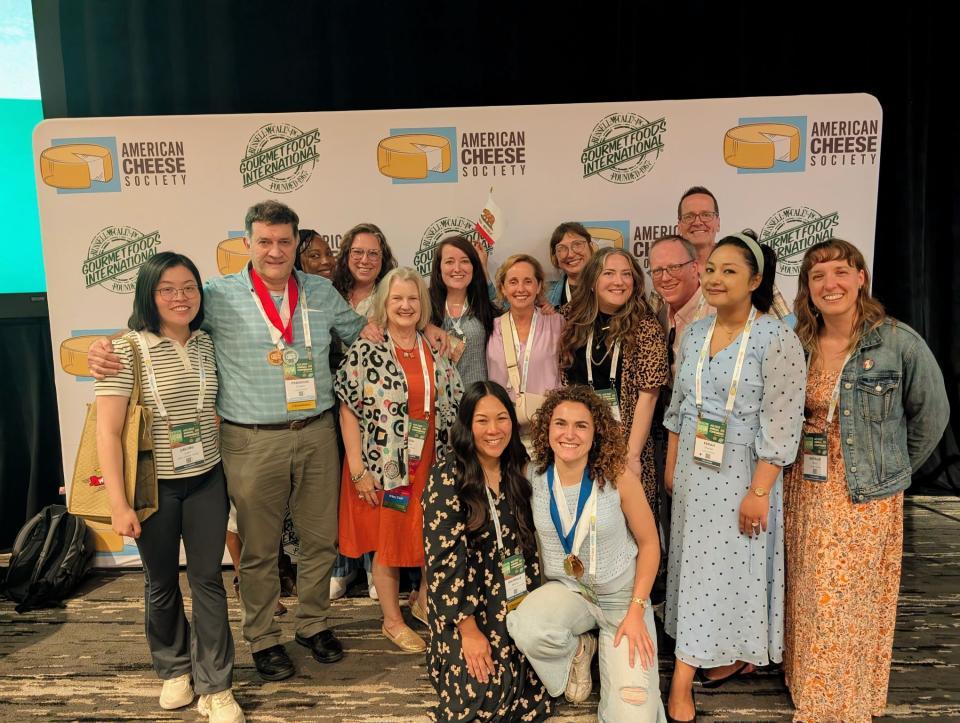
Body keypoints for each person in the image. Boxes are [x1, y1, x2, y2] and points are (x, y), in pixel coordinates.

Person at [88, 200, 380, 682]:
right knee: (260, 548)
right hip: (250, 440)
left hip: (316, 433)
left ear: (297, 243)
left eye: (284, 241)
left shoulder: (321, 291)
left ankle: (313, 623)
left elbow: (360, 331)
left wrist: (423, 326)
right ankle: (263, 637)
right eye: (264, 241)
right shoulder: (216, 295)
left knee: (319, 540)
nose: (274, 251)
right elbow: (162, 320)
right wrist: (106, 346)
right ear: (247, 243)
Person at [783, 239, 949, 723]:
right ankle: (808, 681)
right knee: (809, 590)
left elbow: (932, 415)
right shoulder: (799, 339)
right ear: (807, 287)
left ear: (860, 278)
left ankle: (835, 703)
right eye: (817, 276)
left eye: (840, 272)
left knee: (846, 597)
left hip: (863, 493)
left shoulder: (898, 342)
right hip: (804, 485)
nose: (829, 284)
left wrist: (893, 470)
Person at [663, 233, 806, 723]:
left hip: (743, 473)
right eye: (710, 269)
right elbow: (679, 408)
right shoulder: (696, 333)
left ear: (755, 279)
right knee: (701, 570)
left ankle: (681, 680)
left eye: (729, 270)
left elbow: (782, 424)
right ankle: (729, 650)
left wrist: (759, 490)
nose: (715, 279)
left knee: (725, 567)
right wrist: (672, 467)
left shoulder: (777, 338)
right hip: (693, 470)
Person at [95, 252, 243, 722]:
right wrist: (118, 504)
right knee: (160, 582)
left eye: (189, 288)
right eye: (167, 289)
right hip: (153, 487)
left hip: (207, 481)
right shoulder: (126, 351)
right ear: (149, 295)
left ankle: (217, 686)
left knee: (207, 581)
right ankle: (175, 669)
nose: (181, 297)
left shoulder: (207, 343)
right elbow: (108, 433)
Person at [507, 385, 664, 722]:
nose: (569, 434)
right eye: (560, 423)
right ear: (546, 429)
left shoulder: (619, 478)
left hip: (622, 601)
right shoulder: (532, 477)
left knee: (634, 716)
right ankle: (579, 649)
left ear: (596, 433)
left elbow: (650, 544)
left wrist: (637, 610)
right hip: (569, 591)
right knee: (526, 627)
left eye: (581, 426)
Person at [336, 267, 463, 653]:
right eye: (397, 299)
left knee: (432, 532)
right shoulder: (367, 349)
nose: (405, 306)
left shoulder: (435, 347)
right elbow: (348, 409)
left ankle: (422, 599)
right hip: (387, 467)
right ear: (384, 304)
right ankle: (392, 620)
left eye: (412, 298)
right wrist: (357, 469)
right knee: (389, 540)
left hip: (432, 461)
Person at [423, 381, 553, 721]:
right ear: (467, 425)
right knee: (479, 700)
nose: (493, 430)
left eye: (501, 418)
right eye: (482, 420)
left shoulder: (518, 465)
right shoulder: (447, 476)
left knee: (528, 691)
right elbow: (442, 563)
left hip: (513, 595)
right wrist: (468, 630)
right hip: (463, 602)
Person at [559, 247, 669, 521]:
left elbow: (649, 396)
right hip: (577, 442)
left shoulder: (645, 326)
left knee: (628, 525)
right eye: (609, 273)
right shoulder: (570, 318)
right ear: (592, 281)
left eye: (626, 274)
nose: (618, 281)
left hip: (625, 446)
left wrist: (632, 456)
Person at [328, 222, 398, 600]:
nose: (365, 260)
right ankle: (342, 565)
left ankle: (375, 565)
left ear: (383, 258)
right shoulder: (328, 293)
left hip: (374, 409)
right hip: (327, 402)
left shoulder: (391, 295)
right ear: (346, 255)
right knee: (336, 486)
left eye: (373, 253)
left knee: (372, 484)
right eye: (358, 252)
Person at [486, 254, 564, 447]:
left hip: (547, 428)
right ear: (503, 288)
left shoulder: (557, 323)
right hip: (502, 429)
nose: (520, 289)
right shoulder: (490, 328)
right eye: (513, 282)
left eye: (528, 281)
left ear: (538, 286)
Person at [429, 235, 500, 386]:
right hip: (438, 397)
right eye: (449, 262)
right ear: (439, 268)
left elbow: (513, 307)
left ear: (474, 266)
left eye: (465, 261)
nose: (457, 268)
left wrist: (484, 267)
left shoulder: (485, 306)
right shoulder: (424, 307)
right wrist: (425, 326)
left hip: (478, 398)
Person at [648, 235, 702, 380]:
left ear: (694, 268)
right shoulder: (659, 315)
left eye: (674, 267)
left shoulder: (719, 313)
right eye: (657, 271)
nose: (665, 278)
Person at [545, 222, 595, 309]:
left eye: (577, 244)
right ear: (555, 256)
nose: (570, 254)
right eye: (562, 248)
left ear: (591, 248)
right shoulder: (544, 295)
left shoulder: (612, 289)